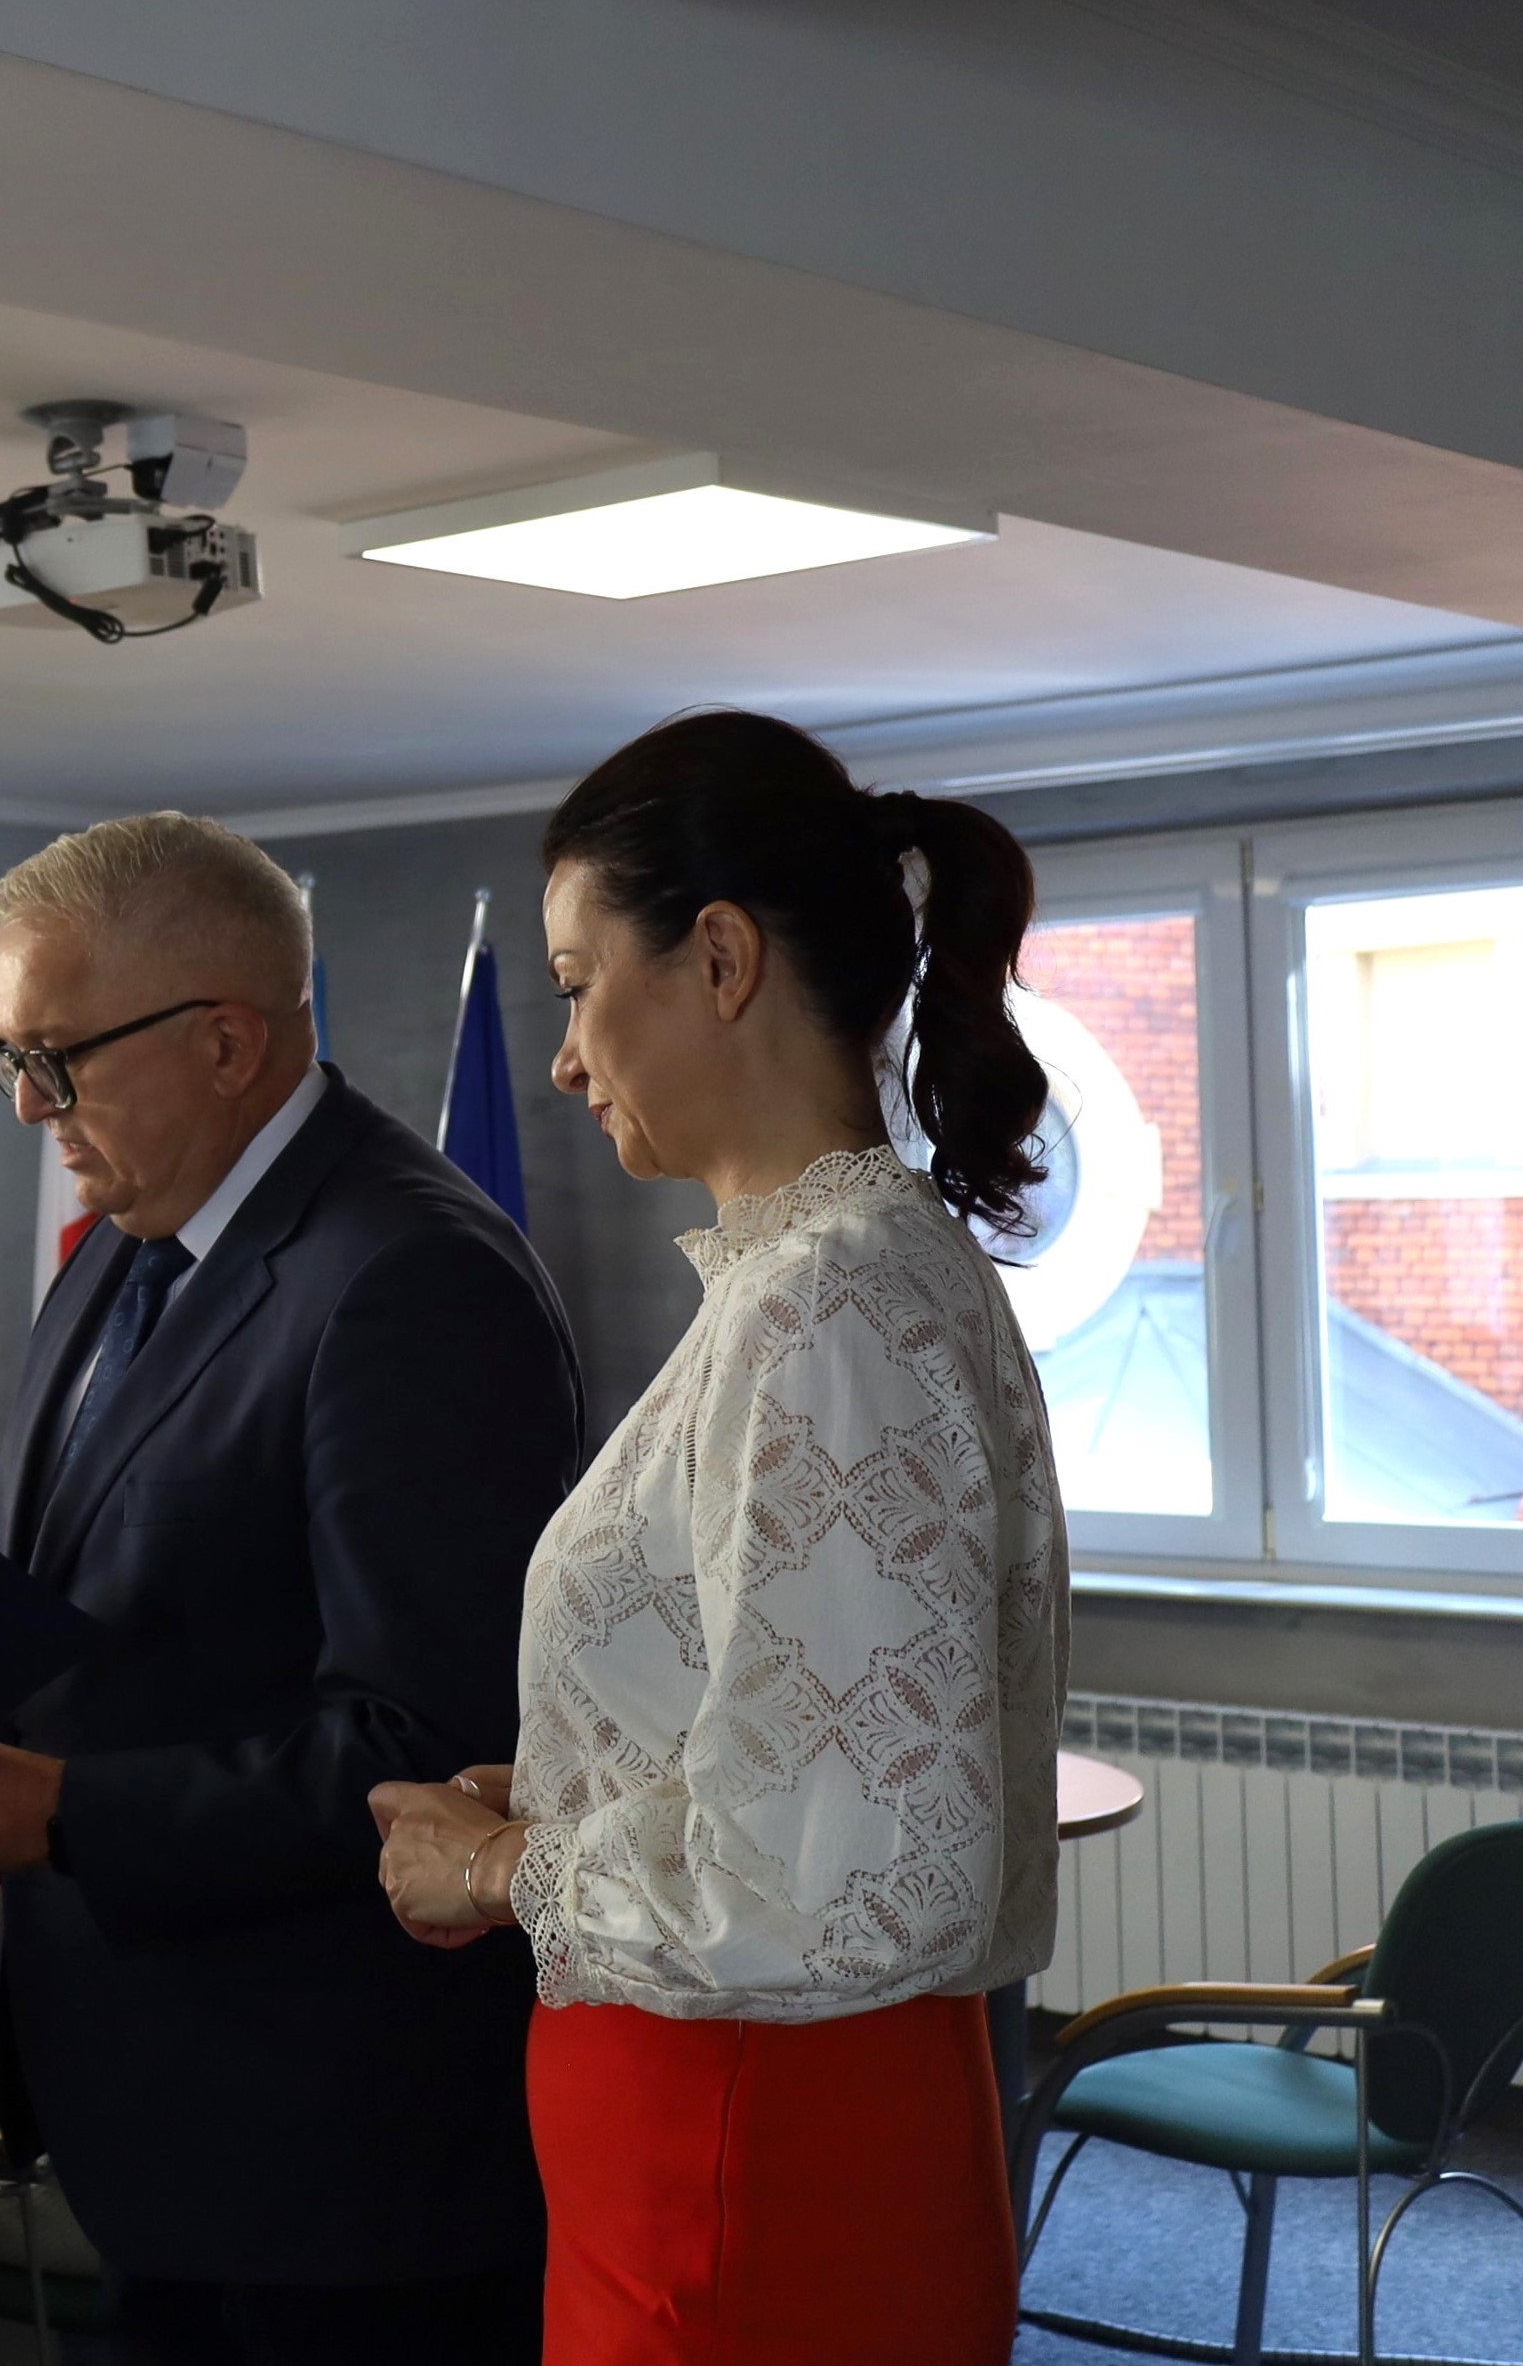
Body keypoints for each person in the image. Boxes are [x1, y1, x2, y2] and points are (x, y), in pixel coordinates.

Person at [0, 813, 587, 2363]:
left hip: (332, 2160)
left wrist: (58, 1812)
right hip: (146, 2119)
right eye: (10, 1058)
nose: (28, 1105)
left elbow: (429, 1743)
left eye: (56, 1058)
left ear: (226, 1041)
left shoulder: (410, 1276)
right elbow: (93, 1620)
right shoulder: (121, 1247)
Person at [370, 710, 1067, 2364]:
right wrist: (569, 1775)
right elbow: (798, 1741)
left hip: (749, 2144)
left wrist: (498, 1866)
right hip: (718, 2122)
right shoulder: (822, 1277)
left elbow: (846, 1879)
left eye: (574, 982)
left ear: (722, 958)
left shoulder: (824, 1305)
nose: (562, 1056)